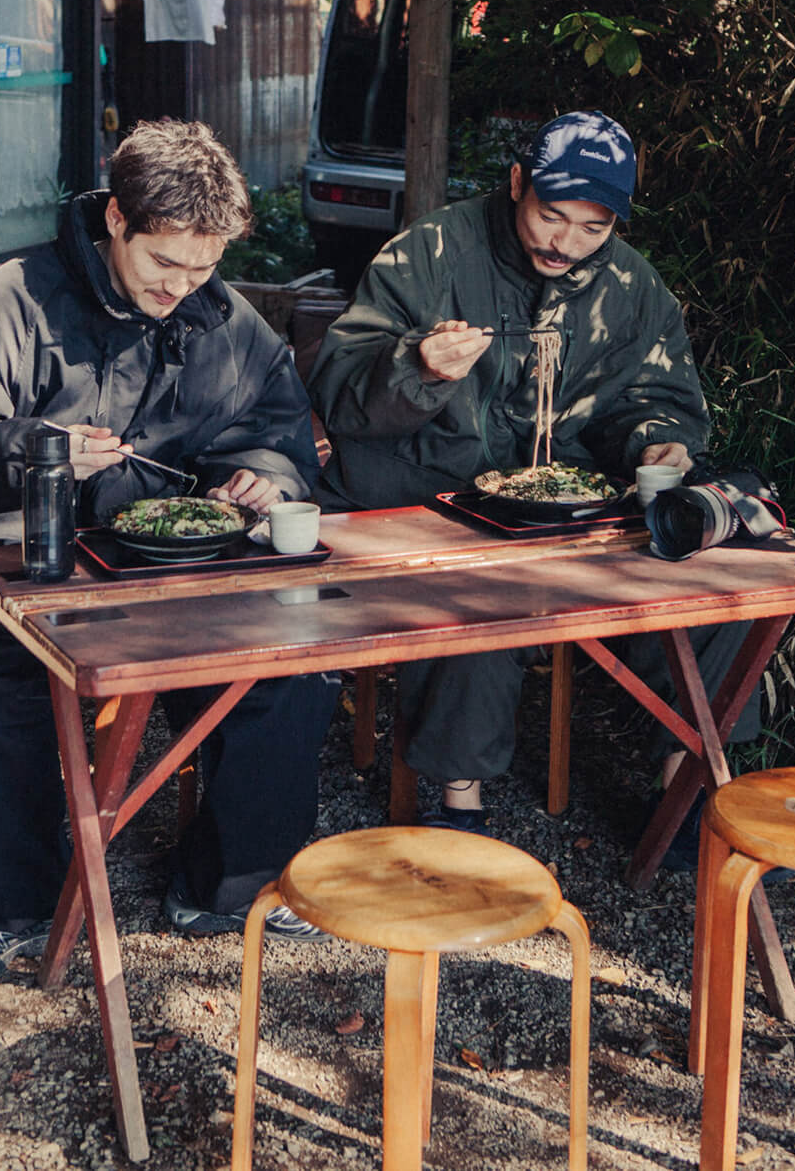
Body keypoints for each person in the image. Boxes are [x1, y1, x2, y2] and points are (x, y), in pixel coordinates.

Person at [0, 119, 337, 985]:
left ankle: (229, 886)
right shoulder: (12, 299)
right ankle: (12, 908)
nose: (183, 287)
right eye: (165, 263)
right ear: (118, 222)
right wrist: (38, 452)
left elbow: (274, 437)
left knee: (289, 675)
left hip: (179, 570)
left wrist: (262, 479)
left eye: (205, 267)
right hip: (27, 566)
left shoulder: (227, 320)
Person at [308, 109, 759, 848]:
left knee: (712, 593)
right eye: (551, 216)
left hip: (568, 508)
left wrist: (659, 446)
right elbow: (338, 386)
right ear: (517, 182)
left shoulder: (630, 285)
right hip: (429, 495)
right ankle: (458, 800)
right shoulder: (432, 251)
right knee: (483, 596)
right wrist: (417, 369)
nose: (565, 242)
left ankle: (683, 787)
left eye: (592, 228)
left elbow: (659, 398)